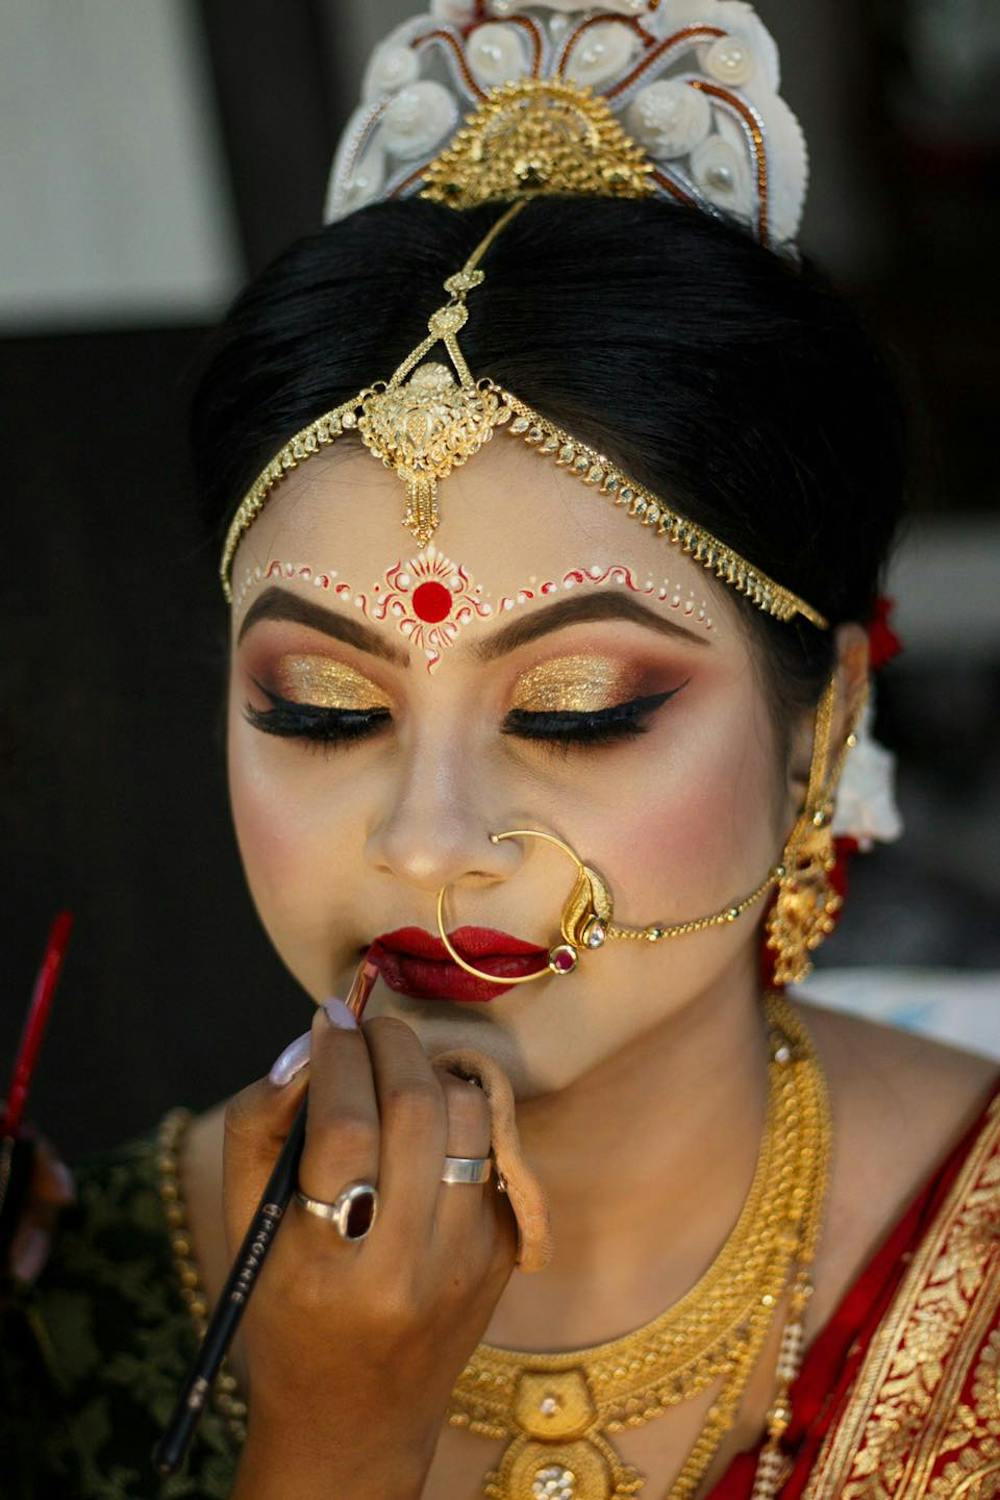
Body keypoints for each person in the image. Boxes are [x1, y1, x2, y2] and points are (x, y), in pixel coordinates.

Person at [3, 4, 999, 1497]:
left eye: (577, 707)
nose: (425, 839)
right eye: (323, 710)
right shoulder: (64, 1313)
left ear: (824, 728)